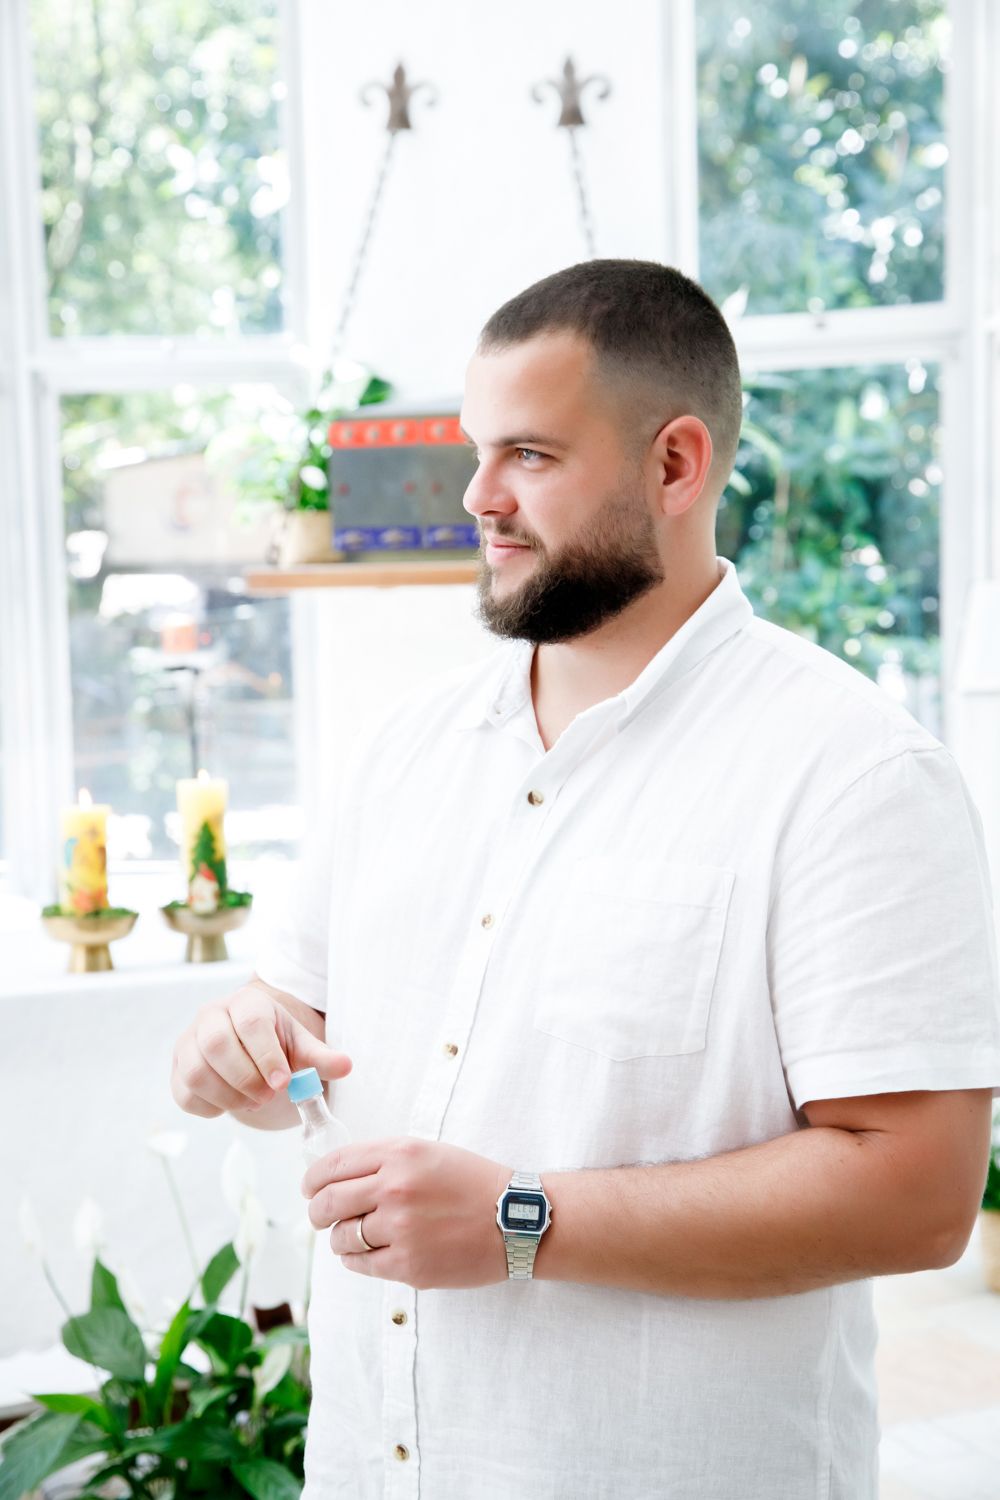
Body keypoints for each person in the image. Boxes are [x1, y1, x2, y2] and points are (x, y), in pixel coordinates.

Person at [171, 259, 1000, 1500]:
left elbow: (918, 1196)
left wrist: (522, 1222)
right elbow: (301, 1034)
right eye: (478, 451)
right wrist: (238, 1046)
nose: (478, 496)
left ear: (675, 465)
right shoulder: (402, 751)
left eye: (530, 455)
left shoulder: (855, 774)